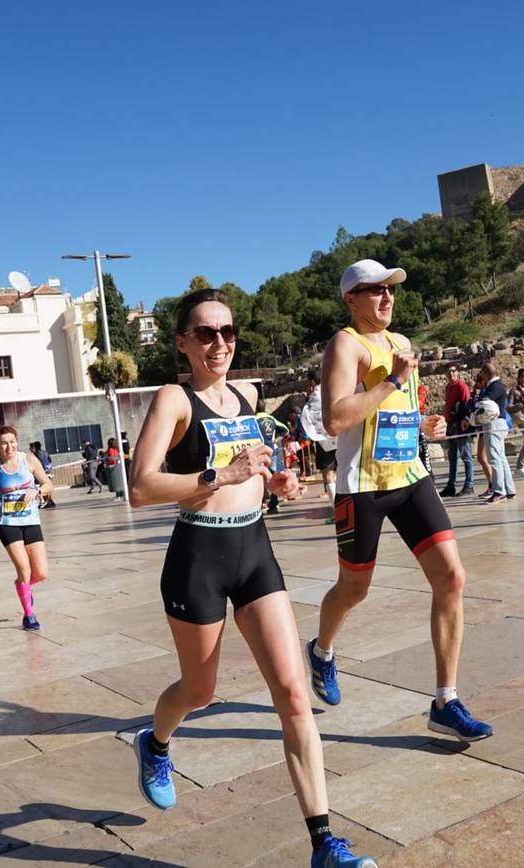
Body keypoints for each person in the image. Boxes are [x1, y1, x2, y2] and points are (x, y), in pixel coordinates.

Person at [127, 288, 377, 868]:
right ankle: (156, 742)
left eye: (229, 332)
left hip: (255, 550)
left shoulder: (248, 394)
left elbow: (259, 468)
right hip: (199, 558)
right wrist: (219, 473)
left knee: (292, 693)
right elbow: (140, 487)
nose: (221, 343)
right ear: (184, 343)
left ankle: (324, 843)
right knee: (200, 691)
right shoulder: (174, 399)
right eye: (207, 333)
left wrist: (276, 483)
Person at [311, 259, 493, 745]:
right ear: (351, 300)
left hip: (409, 476)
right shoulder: (346, 344)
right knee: (353, 590)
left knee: (452, 577)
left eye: (391, 290)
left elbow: (399, 413)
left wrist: (423, 425)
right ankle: (323, 651)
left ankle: (445, 702)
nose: (387, 298)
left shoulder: (402, 345)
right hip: (362, 485)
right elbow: (334, 420)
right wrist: (389, 381)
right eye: (375, 291)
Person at [0, 427, 53, 630]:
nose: (9, 447)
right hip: (7, 524)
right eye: (4, 443)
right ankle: (29, 615)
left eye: (13, 441)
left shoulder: (29, 460)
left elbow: (48, 484)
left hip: (31, 521)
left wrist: (37, 490)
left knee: (41, 573)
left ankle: (23, 586)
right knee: (23, 568)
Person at [300, 369, 340, 523]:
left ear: (311, 381)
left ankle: (338, 511)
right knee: (342, 472)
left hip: (324, 439)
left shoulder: (314, 396)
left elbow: (307, 419)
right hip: (340, 436)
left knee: (328, 475)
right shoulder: (334, 389)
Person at [477, 363, 516, 503]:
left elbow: (484, 403)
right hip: (499, 423)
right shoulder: (498, 386)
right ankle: (510, 489)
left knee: (494, 458)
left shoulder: (495, 387)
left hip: (494, 424)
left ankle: (499, 491)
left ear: (486, 373)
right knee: (501, 457)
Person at [440, 366, 474, 497]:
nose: (451, 373)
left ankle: (469, 485)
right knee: (452, 456)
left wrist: (465, 419)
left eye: (453, 371)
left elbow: (467, 404)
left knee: (466, 455)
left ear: (457, 373)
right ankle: (451, 485)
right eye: (448, 371)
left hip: (459, 425)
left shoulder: (462, 386)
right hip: (450, 424)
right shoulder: (448, 387)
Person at [29, 442, 57, 508]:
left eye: (31, 447)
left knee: (41, 487)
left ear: (34, 448)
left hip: (42, 472)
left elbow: (39, 463)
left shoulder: (36, 454)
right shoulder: (45, 452)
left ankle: (44, 501)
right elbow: (50, 460)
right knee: (48, 486)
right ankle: (50, 500)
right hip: (48, 471)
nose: (30, 449)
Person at [105, 437, 125, 501]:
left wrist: (107, 460)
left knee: (116, 482)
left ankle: (118, 496)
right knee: (119, 482)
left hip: (113, 466)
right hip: (118, 465)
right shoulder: (116, 449)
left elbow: (111, 457)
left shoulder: (110, 449)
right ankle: (121, 495)